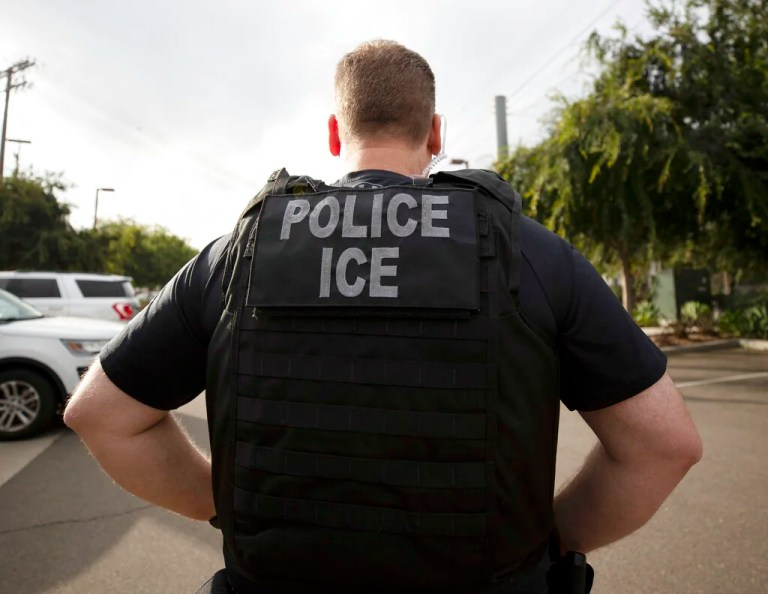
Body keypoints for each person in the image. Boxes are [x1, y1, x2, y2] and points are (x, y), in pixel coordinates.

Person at [64, 40, 702, 594]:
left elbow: (100, 415)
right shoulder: (530, 252)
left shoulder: (239, 256)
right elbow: (663, 445)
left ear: (335, 134)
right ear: (436, 135)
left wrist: (223, 505)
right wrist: (552, 537)